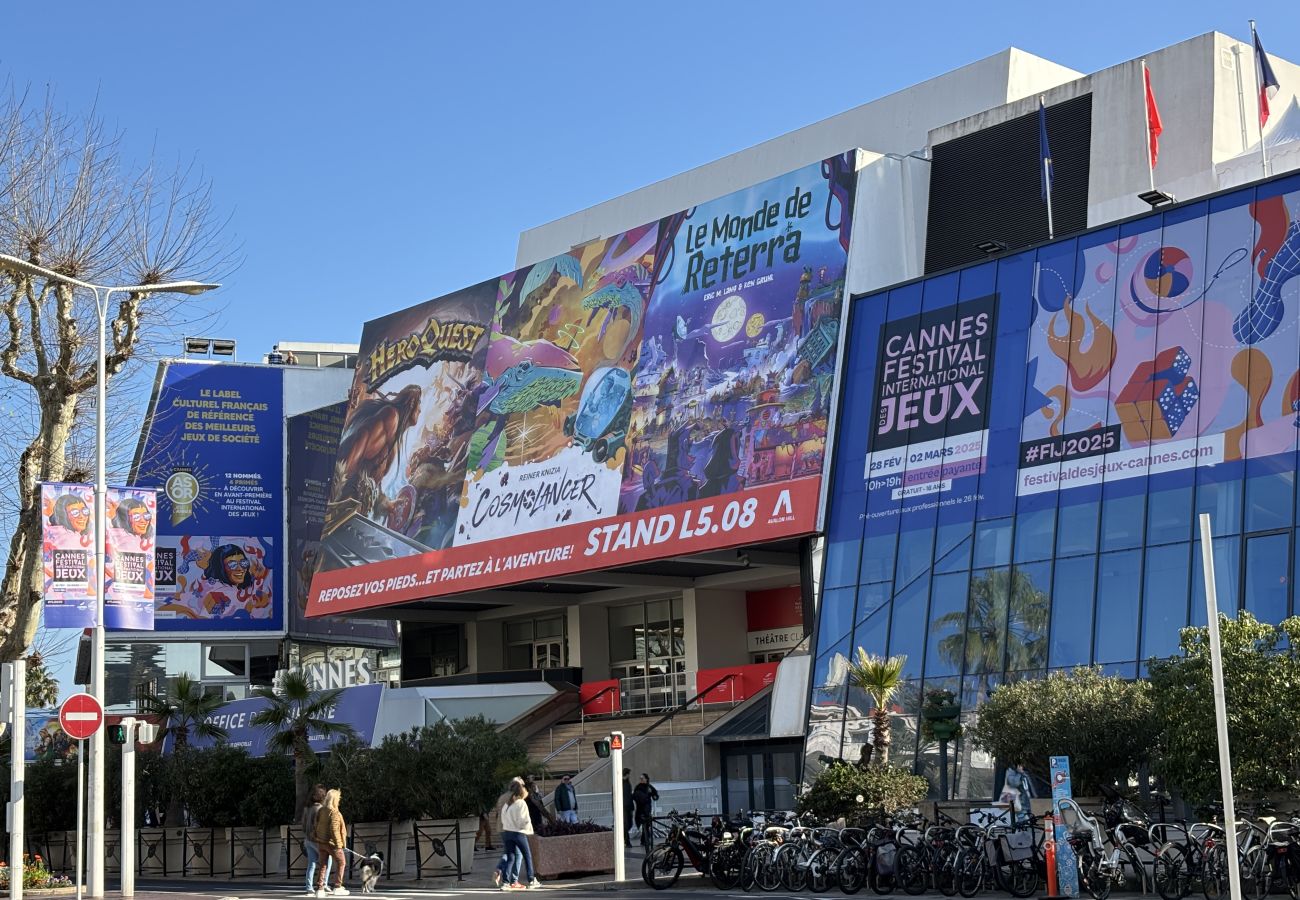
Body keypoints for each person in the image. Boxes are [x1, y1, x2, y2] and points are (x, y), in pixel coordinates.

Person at [496, 780, 540, 890]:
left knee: (511, 857)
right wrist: (526, 829)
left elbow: (502, 817)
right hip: (519, 832)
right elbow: (523, 819)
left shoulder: (508, 804)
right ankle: (531, 880)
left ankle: (505, 883)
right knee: (527, 856)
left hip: (507, 832)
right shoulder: (521, 803)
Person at [312, 788, 349, 897]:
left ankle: (320, 889)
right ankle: (337, 886)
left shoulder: (321, 810)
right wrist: (339, 845)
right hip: (332, 843)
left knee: (323, 864)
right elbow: (334, 829)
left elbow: (316, 824)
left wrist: (317, 836)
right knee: (342, 863)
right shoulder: (334, 812)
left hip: (321, 842)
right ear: (335, 799)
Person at [302, 785, 333, 896]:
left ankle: (309, 887)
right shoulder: (321, 809)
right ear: (323, 797)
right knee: (327, 861)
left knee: (311, 863)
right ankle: (324, 883)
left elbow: (303, 825)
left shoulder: (307, 808)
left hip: (308, 840)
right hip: (318, 840)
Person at [631, 773, 660, 850]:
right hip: (640, 810)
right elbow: (634, 797)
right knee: (644, 825)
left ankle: (644, 840)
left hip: (647, 809)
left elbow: (655, 795)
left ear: (646, 779)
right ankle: (644, 840)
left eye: (642, 778)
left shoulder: (649, 787)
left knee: (647, 826)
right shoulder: (638, 787)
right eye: (640, 778)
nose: (641, 779)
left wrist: (654, 796)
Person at [621, 769, 634, 843]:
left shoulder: (627, 783)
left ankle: (625, 838)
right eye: (629, 774)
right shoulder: (621, 783)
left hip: (628, 806)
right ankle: (627, 841)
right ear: (626, 774)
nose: (629, 775)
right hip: (624, 807)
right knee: (626, 824)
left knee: (629, 824)